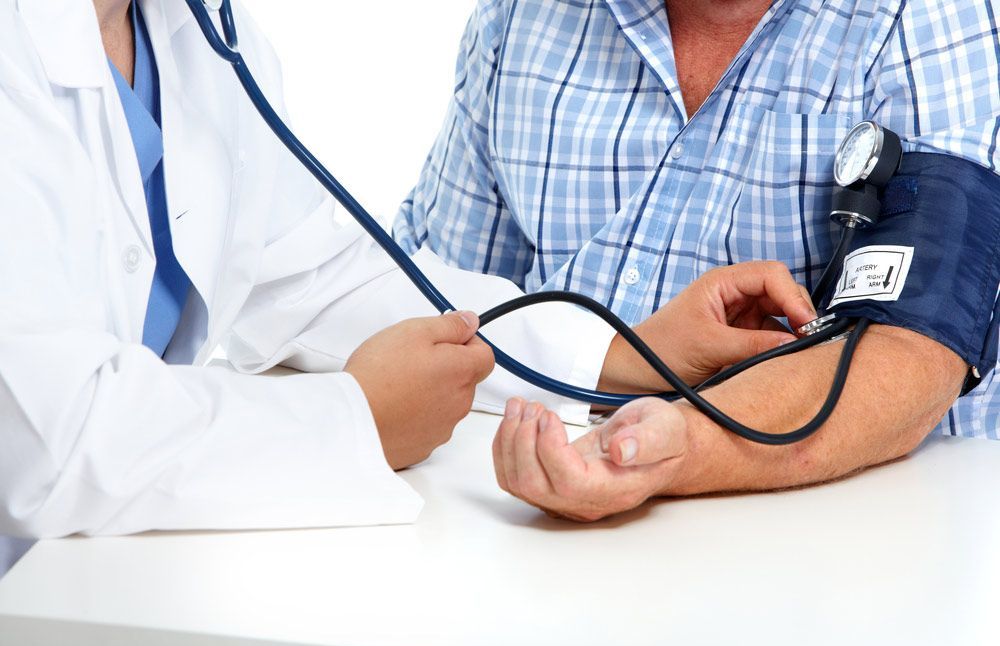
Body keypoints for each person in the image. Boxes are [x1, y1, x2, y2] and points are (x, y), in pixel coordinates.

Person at [0, 0, 818, 573]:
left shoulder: (195, 27)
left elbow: (314, 273)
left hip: (97, 582)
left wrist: (614, 352)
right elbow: (48, 442)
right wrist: (354, 419)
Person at [393, 0, 1000, 520]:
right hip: (520, 520)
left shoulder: (928, 16)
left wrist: (672, 445)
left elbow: (912, 355)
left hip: (833, 541)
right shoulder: (522, 15)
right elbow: (440, 309)